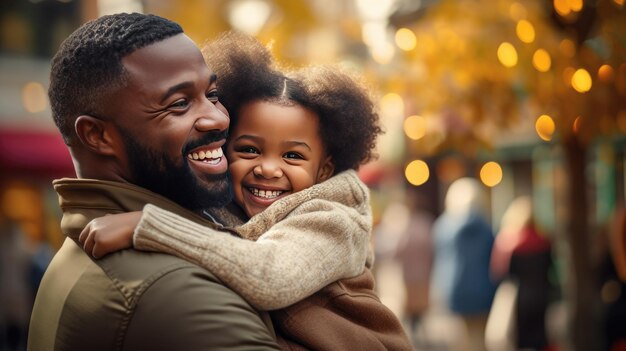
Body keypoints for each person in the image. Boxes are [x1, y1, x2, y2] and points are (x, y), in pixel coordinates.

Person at [78, 31, 413, 351]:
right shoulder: (233, 206)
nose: (267, 168)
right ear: (225, 150)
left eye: (292, 156)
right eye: (249, 150)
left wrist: (148, 226)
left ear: (323, 169)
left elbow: (271, 277)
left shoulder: (332, 221)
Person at [28, 13, 281, 350]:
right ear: (98, 135)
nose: (218, 117)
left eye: (213, 93)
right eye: (179, 104)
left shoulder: (83, 245)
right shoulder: (180, 294)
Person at [431, 177, 497, 351]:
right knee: (480, 339)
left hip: (454, 290)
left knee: (459, 340)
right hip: (483, 290)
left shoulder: (443, 227)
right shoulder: (486, 228)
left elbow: (440, 261)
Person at [490, 196, 552, 350]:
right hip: (541, 297)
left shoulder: (508, 243)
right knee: (539, 339)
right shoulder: (543, 241)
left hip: (519, 299)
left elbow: (499, 273)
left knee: (520, 341)